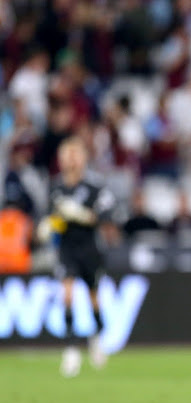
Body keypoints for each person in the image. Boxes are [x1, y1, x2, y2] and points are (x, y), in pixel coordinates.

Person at [49, 137, 117, 377]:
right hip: (67, 249)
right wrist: (50, 224)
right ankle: (70, 348)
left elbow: (106, 215)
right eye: (66, 155)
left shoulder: (94, 186)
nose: (70, 160)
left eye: (74, 155)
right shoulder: (56, 187)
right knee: (66, 294)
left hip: (89, 248)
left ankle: (96, 338)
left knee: (93, 298)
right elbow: (52, 217)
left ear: (83, 158)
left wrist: (81, 214)